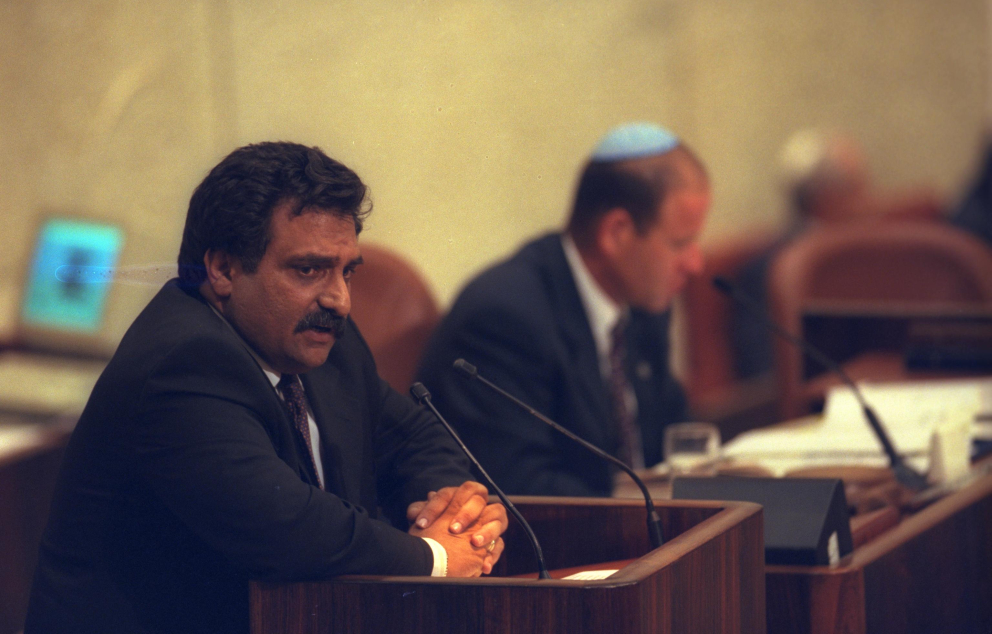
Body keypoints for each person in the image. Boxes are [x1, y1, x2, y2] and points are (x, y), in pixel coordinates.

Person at [25, 142, 507, 634]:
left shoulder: (319, 340)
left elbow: (413, 436)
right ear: (223, 270)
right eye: (308, 269)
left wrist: (452, 508)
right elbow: (286, 524)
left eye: (347, 271)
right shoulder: (183, 364)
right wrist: (439, 556)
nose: (339, 299)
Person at [417, 123, 709, 497]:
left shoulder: (644, 300)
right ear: (616, 233)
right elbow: (524, 490)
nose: (696, 264)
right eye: (681, 242)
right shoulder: (504, 316)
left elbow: (670, 433)